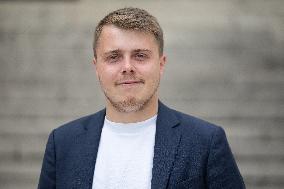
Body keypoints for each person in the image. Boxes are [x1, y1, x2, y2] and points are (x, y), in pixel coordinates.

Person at [38, 7, 245, 189]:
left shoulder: (206, 142)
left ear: (161, 64)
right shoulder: (62, 143)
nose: (127, 67)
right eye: (113, 57)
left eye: (140, 55)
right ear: (97, 67)